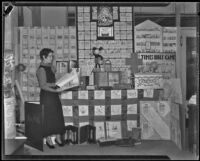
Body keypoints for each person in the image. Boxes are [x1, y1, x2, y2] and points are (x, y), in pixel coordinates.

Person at [36, 48, 66, 149]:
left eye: (52, 56)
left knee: (57, 115)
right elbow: (43, 85)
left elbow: (54, 75)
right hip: (47, 96)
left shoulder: (49, 66)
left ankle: (58, 138)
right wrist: (55, 88)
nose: (52, 58)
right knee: (48, 117)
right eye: (50, 56)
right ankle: (49, 139)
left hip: (54, 95)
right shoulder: (41, 69)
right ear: (43, 57)